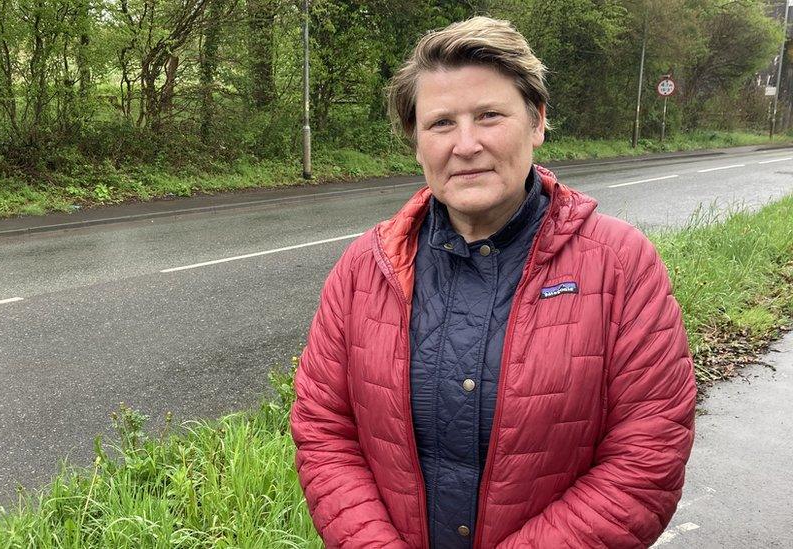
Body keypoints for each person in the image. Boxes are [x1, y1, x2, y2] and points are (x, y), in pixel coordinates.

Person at [290, 16, 696, 549]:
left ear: (538, 121)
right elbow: (325, 432)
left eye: (489, 115)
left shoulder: (621, 265)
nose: (466, 144)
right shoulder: (364, 268)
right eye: (440, 123)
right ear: (416, 143)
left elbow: (648, 455)